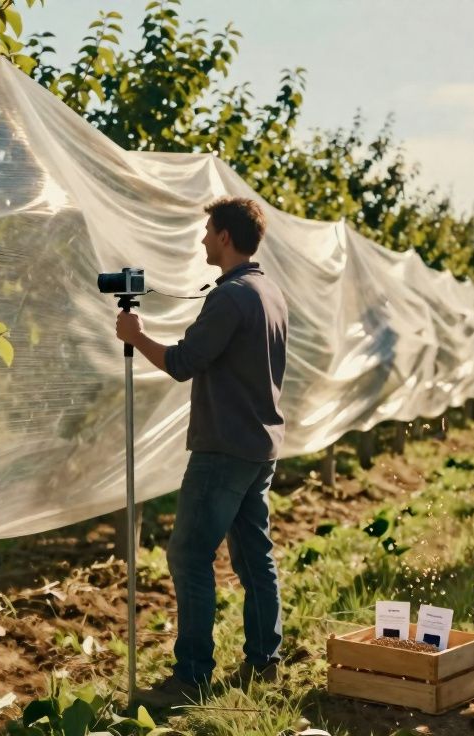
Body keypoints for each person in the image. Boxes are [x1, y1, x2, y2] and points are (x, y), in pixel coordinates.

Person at [114, 196, 289, 708]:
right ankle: (264, 662)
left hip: (223, 449)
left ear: (227, 237)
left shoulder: (232, 297)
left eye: (209, 231)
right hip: (259, 445)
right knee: (255, 558)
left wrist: (136, 335)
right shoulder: (269, 292)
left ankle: (191, 677)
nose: (203, 239)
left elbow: (184, 362)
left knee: (189, 555)